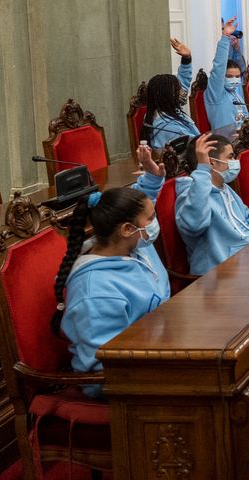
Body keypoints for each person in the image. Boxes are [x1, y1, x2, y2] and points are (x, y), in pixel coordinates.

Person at [53, 145, 169, 392]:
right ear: (127, 229)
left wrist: (152, 176)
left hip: (160, 349)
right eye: (151, 220)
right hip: (124, 383)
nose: (154, 224)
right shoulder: (94, 290)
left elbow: (139, 203)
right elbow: (105, 364)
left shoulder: (132, 245)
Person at [175, 132, 249, 275]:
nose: (235, 161)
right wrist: (203, 169)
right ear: (211, 162)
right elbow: (194, 225)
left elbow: (248, 220)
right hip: (220, 274)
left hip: (248, 260)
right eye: (230, 157)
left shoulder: (224, 187)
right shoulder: (190, 195)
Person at [142, 38, 201, 149]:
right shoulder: (170, 127)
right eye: (178, 90)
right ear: (169, 96)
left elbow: (183, 81)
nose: (182, 93)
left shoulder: (162, 110)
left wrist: (186, 59)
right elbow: (196, 148)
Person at [204, 17, 249, 131]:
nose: (234, 79)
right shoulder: (216, 93)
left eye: (237, 77)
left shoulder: (235, 94)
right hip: (224, 140)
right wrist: (225, 37)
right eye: (229, 76)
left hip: (241, 137)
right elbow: (219, 66)